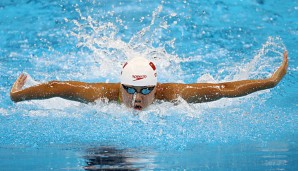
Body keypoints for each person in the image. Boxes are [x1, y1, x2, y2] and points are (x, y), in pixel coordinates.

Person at [10, 51, 288, 110]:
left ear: (157, 87)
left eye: (146, 90)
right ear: (120, 85)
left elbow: (224, 90)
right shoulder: (100, 94)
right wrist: (17, 95)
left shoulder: (173, 94)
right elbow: (57, 87)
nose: (137, 97)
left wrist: (271, 81)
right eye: (129, 89)